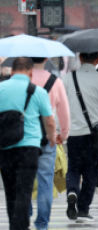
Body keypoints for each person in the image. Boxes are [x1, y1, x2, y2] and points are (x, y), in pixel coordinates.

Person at [0, 57, 56, 230]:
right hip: (29, 147)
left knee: (10, 191)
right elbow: (49, 120)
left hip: (5, 147)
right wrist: (52, 138)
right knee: (24, 190)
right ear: (30, 72)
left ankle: (13, 225)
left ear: (12, 70)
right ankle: (21, 227)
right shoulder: (38, 92)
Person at [63, 52, 98, 222]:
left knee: (73, 167)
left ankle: (72, 190)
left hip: (74, 132)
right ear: (97, 60)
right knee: (91, 171)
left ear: (80, 58)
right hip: (95, 133)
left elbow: (62, 104)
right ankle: (83, 209)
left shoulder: (67, 78)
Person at [30, 57, 70, 230]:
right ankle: (42, 224)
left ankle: (26, 214)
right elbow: (64, 111)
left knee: (24, 180)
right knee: (46, 181)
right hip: (48, 136)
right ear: (46, 59)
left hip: (24, 137)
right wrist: (64, 134)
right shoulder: (55, 81)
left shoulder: (21, 80)